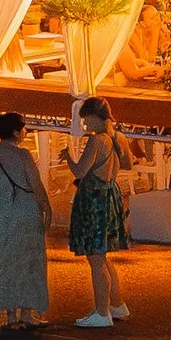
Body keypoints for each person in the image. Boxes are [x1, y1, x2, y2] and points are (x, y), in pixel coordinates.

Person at [0, 113, 51, 334]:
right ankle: (27, 313)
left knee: (3, 262)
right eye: (24, 128)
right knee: (28, 261)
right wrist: (47, 208)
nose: (26, 132)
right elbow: (35, 184)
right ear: (16, 132)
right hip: (25, 210)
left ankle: (10, 317)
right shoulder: (24, 156)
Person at [62, 97, 131, 327]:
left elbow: (81, 171)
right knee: (104, 254)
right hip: (111, 195)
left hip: (93, 200)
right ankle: (116, 304)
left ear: (95, 117)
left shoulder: (97, 141)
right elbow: (129, 163)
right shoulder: (118, 137)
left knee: (95, 257)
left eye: (86, 119)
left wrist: (68, 158)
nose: (84, 124)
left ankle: (102, 313)